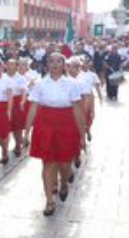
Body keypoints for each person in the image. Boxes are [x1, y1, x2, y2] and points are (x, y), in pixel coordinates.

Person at [24, 53, 87, 216]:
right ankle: (49, 201)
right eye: (51, 61)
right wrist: (26, 131)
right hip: (45, 124)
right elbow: (33, 108)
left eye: (59, 61)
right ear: (47, 65)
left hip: (66, 124)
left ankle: (64, 183)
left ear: (64, 65)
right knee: (48, 163)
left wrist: (82, 134)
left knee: (65, 163)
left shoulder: (72, 84)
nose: (54, 64)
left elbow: (77, 109)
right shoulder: (40, 84)